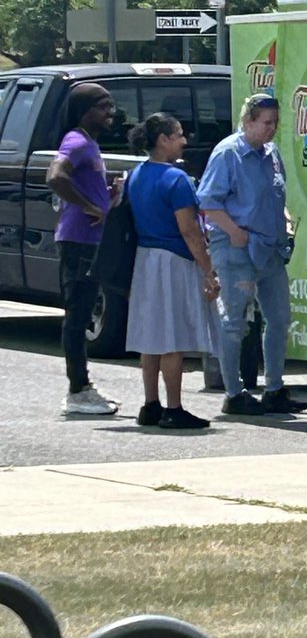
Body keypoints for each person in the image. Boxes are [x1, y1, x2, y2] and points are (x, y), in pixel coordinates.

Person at [197, 93, 307, 416]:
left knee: (279, 318)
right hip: (237, 249)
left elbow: (275, 194)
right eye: (266, 123)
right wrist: (235, 232)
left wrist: (284, 220)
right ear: (248, 122)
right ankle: (234, 392)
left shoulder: (271, 154)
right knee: (234, 323)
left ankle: (274, 388)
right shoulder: (228, 153)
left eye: (275, 122)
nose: (272, 129)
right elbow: (207, 202)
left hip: (270, 248)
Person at [126, 114, 218, 430]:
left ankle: (150, 404)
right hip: (172, 261)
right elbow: (190, 231)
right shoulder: (176, 180)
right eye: (178, 134)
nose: (184, 140)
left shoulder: (135, 175)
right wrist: (208, 269)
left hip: (145, 258)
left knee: (150, 337)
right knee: (172, 337)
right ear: (163, 139)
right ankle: (174, 407)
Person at [47, 83, 121, 416]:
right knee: (77, 318)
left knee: (84, 313)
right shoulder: (76, 141)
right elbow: (55, 176)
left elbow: (79, 183)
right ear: (84, 110)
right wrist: (90, 206)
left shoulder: (90, 144)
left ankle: (83, 386)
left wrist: (108, 194)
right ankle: (77, 391)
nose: (111, 112)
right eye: (103, 106)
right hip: (78, 241)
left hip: (90, 241)